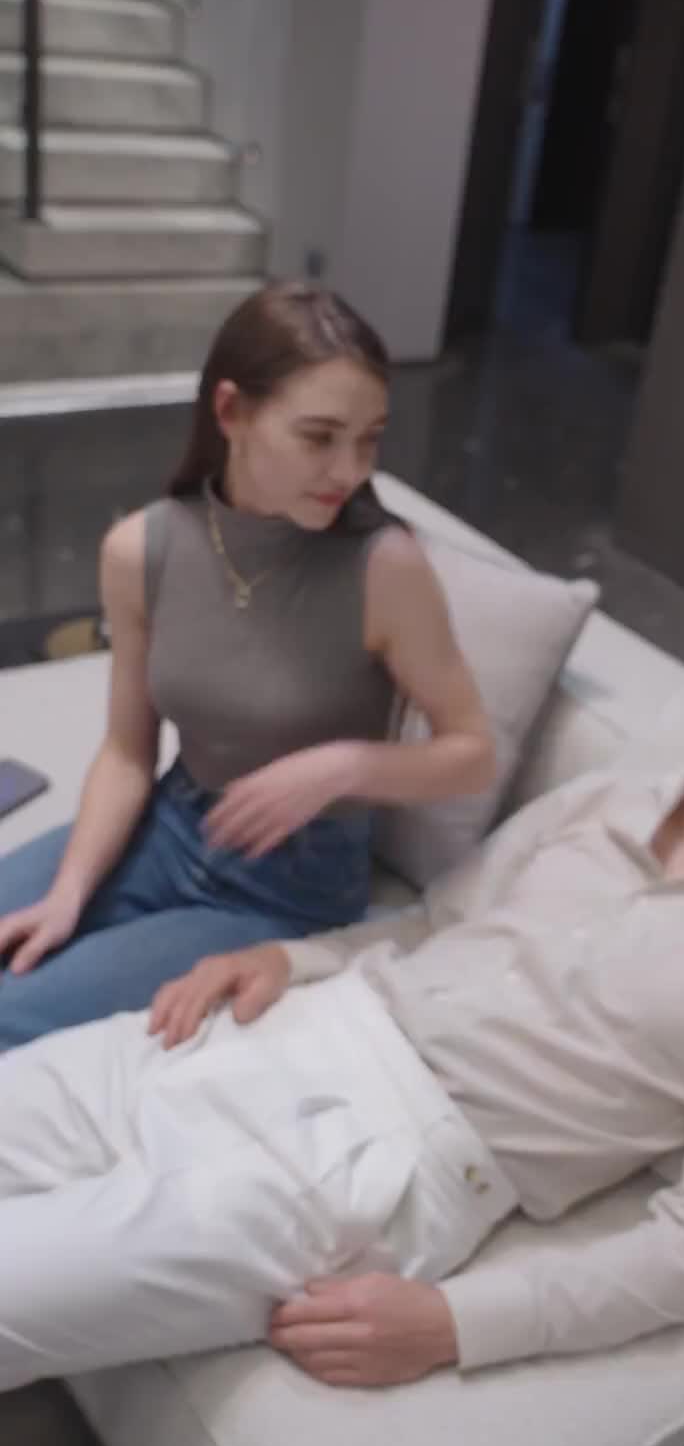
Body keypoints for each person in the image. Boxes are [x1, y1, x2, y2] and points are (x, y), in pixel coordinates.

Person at [0, 687, 684, 1395]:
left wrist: (459, 1326)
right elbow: (434, 924)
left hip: (366, 1165)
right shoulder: (617, 798)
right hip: (285, 1022)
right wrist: (286, 959)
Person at [0, 282, 494, 1050]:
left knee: (9, 1012)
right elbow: (128, 752)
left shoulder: (384, 567)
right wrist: (70, 894)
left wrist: (343, 766)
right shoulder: (142, 549)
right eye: (319, 437)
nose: (349, 470)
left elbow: (474, 755)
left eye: (369, 439)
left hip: (284, 888)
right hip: (167, 826)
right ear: (230, 412)